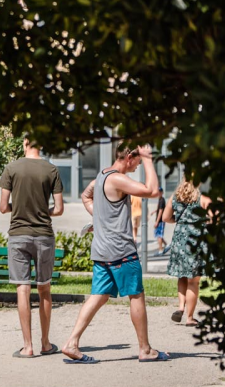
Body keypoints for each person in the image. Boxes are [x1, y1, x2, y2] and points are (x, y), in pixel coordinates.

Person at [61, 144, 170, 364]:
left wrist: (101, 219)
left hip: (102, 251)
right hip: (121, 251)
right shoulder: (117, 179)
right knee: (136, 294)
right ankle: (145, 349)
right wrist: (149, 159)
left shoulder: (102, 175)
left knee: (98, 296)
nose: (138, 164)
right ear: (129, 157)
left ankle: (71, 343)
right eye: (137, 161)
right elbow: (151, 191)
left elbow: (85, 196)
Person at [0, 138, 65, 358]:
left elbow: (2, 207)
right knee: (44, 288)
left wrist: (18, 208)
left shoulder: (11, 168)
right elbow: (59, 209)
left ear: (25, 142)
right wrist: (43, 212)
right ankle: (45, 343)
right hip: (44, 235)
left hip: (18, 234)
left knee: (22, 290)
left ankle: (27, 347)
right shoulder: (51, 169)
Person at [165, 179, 210, 326]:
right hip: (195, 240)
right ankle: (190, 318)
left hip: (179, 238)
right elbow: (215, 217)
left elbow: (166, 217)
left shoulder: (175, 198)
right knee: (193, 281)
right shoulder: (202, 198)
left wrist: (180, 221)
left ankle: (180, 307)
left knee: (182, 275)